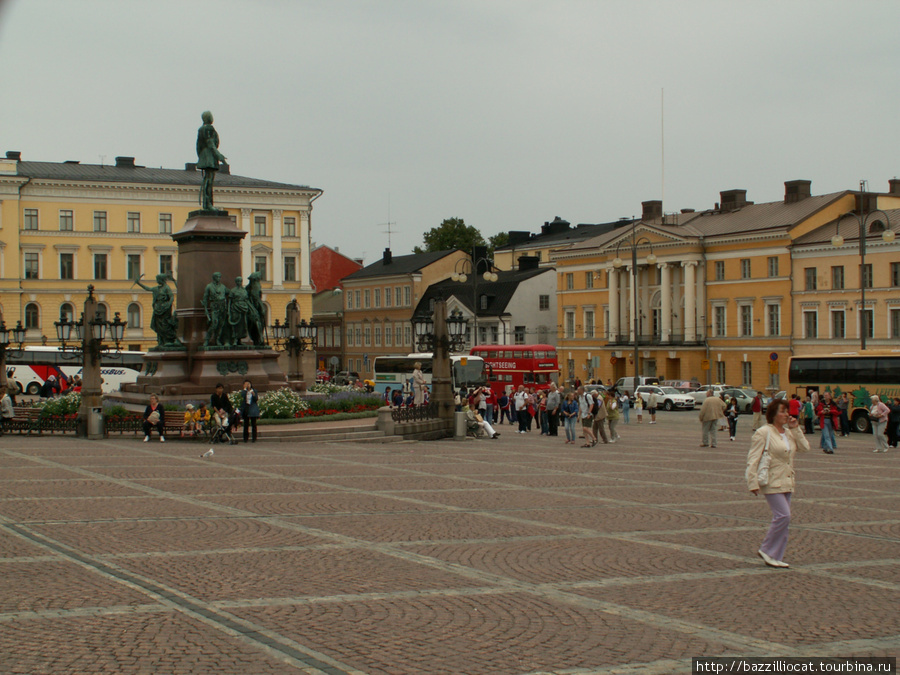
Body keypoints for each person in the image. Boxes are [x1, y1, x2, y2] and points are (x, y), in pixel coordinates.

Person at [746, 398, 810, 568]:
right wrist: (752, 482)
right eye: (782, 411)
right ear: (773, 414)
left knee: (784, 519)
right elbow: (753, 458)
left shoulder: (789, 433)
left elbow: (805, 448)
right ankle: (767, 549)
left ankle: (775, 555)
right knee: (784, 515)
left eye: (787, 411)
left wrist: (796, 429)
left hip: (787, 480)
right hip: (771, 480)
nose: (786, 414)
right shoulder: (763, 432)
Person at [196, 110, 227, 211]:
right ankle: (208, 204)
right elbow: (211, 144)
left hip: (204, 155)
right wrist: (219, 155)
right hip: (210, 156)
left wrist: (200, 157)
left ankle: (207, 204)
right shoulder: (209, 129)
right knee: (209, 181)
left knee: (207, 180)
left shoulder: (200, 129)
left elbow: (198, 146)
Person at [201, 272, 229, 346]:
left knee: (220, 325)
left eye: (220, 277)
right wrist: (205, 309)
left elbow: (230, 293)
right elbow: (205, 298)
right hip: (214, 306)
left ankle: (217, 339)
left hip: (223, 307)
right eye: (217, 277)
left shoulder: (223, 287)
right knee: (214, 324)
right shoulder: (209, 286)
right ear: (213, 278)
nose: (219, 278)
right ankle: (207, 339)